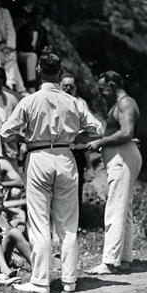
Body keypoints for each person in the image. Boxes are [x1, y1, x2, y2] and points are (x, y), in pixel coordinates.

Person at [0, 53, 103, 293]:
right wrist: (75, 137)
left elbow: (5, 132)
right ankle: (69, 280)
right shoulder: (73, 101)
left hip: (39, 155)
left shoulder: (29, 100)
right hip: (66, 156)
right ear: (59, 72)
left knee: (39, 222)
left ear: (38, 70)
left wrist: (25, 136)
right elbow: (97, 129)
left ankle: (40, 280)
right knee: (68, 223)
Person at [86, 71, 142, 275]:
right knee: (123, 208)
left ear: (112, 84)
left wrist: (100, 142)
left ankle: (110, 261)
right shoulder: (120, 104)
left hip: (122, 157)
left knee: (115, 208)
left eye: (103, 89)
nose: (101, 93)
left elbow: (127, 132)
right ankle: (124, 258)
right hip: (121, 156)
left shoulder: (125, 103)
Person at [60, 75, 91, 213]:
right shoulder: (55, 101)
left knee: (77, 185)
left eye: (71, 86)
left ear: (75, 88)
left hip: (77, 150)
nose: (68, 89)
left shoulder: (80, 103)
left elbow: (86, 127)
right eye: (65, 86)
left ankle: (77, 219)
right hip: (60, 150)